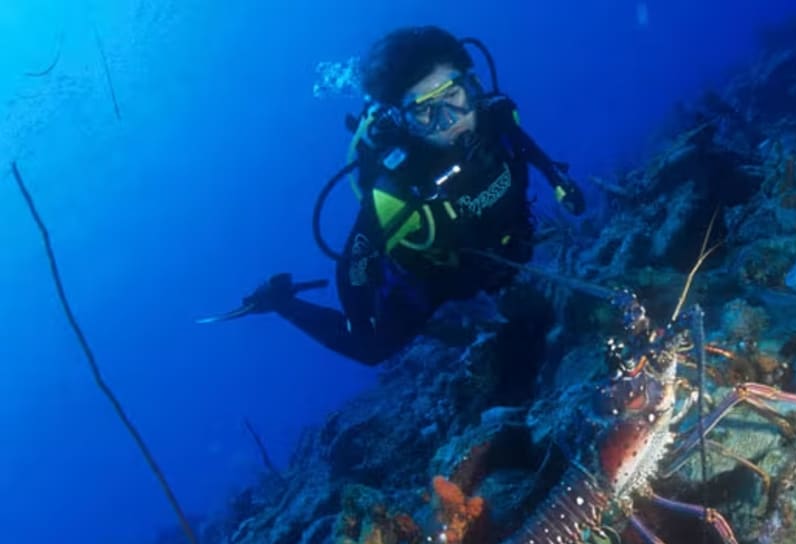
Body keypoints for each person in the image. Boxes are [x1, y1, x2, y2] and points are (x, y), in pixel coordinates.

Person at [242, 26, 585, 365]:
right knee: (372, 351)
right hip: (432, 278)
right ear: (402, 120)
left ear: (472, 84)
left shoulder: (496, 119)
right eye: (425, 111)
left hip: (502, 245)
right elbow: (353, 264)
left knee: (515, 295)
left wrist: (560, 183)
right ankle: (280, 301)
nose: (450, 120)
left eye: (453, 96)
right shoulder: (397, 189)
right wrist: (360, 322)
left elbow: (527, 148)